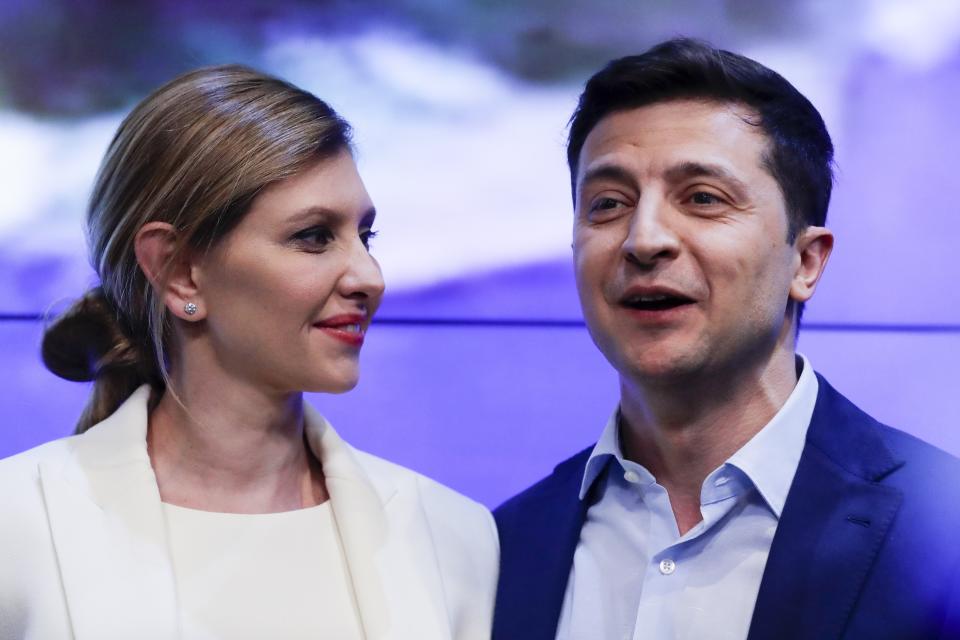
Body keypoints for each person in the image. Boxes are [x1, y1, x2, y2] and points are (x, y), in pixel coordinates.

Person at [0, 65, 497, 639]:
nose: (369, 276)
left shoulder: (452, 537)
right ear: (179, 272)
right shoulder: (18, 526)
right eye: (313, 236)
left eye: (366, 236)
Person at [493, 38, 960, 640]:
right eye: (608, 204)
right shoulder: (507, 545)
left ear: (806, 262)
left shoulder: (940, 531)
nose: (644, 239)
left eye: (703, 199)